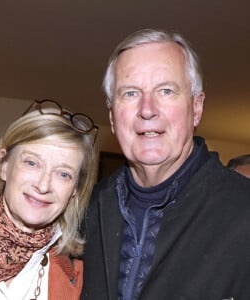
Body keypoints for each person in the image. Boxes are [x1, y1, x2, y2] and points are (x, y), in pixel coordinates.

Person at [81, 29, 250, 300]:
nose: (147, 109)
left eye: (166, 90)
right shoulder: (86, 209)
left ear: (196, 108)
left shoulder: (243, 211)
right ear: (112, 116)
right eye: (130, 93)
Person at [0, 99, 98, 299]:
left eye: (63, 174)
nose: (43, 185)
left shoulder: (79, 279)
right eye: (31, 163)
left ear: (74, 190)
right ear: (4, 165)